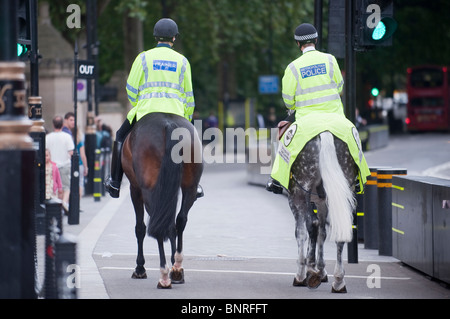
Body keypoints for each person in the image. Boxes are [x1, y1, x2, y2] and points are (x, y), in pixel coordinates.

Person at [104, 18, 202, 198]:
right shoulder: (182, 62)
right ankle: (195, 184)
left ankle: (115, 182)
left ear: (156, 37)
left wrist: (139, 104)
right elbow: (189, 96)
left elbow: (131, 89)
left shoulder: (142, 58)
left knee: (119, 136)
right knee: (194, 141)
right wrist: (186, 116)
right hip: (177, 113)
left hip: (146, 111)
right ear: (174, 38)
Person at [266, 23, 346, 194]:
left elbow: (288, 101)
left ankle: (277, 181)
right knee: (354, 143)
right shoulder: (331, 60)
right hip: (336, 118)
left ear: (297, 44)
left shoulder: (293, 68)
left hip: (306, 122)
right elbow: (339, 87)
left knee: (284, 144)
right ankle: (362, 178)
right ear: (316, 40)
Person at [46, 115, 75, 209]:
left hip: (52, 166)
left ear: (53, 125)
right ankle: (64, 203)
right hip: (65, 165)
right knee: (66, 187)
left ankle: (57, 206)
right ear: (62, 124)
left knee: (54, 187)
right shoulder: (67, 136)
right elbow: (71, 151)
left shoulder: (48, 137)